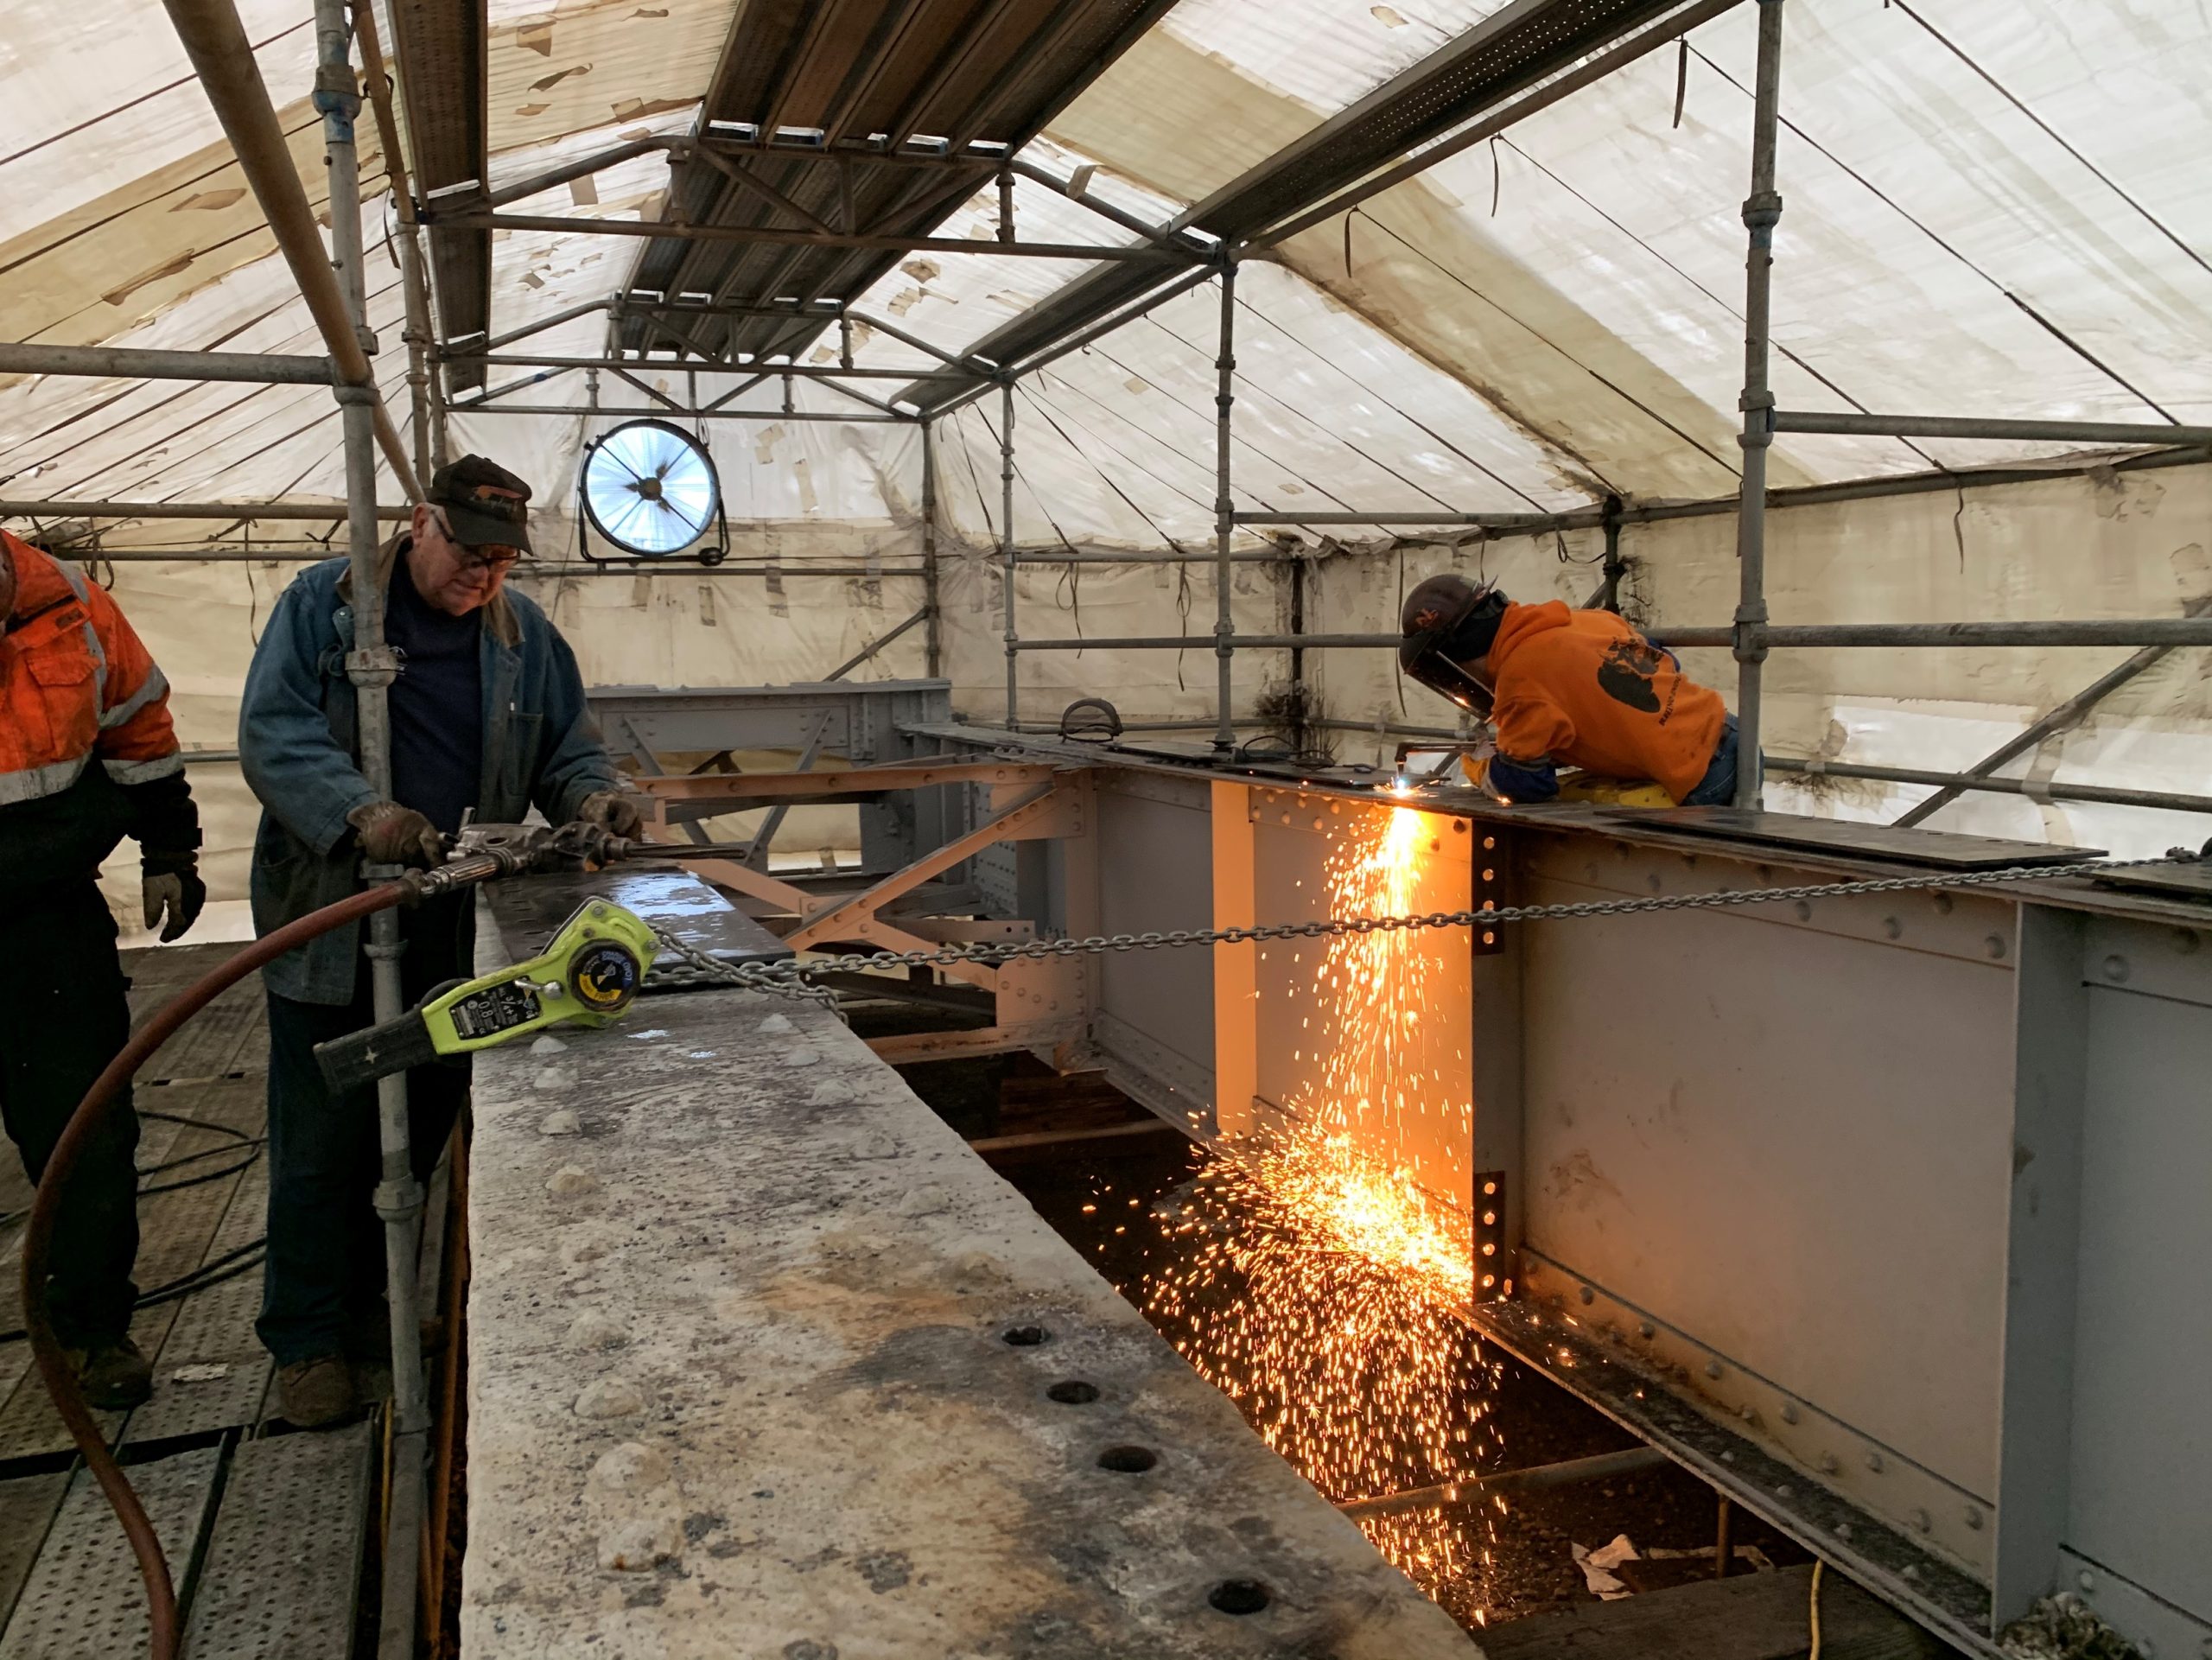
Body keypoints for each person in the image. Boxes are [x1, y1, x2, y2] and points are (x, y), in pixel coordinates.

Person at [238, 455, 641, 1428]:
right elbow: (273, 731)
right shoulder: (323, 609)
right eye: (470, 551)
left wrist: (592, 793)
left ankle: (375, 1311)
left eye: (504, 559)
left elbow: (564, 746)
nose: (485, 576)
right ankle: (307, 1338)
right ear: (420, 523)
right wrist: (360, 813)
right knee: (323, 1137)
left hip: (454, 922)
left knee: (417, 1126)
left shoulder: (522, 633)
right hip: (334, 915)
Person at [0, 529, 206, 1408]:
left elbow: (139, 727)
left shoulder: (73, 605)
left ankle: (91, 1330)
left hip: (45, 917)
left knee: (85, 1130)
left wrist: (171, 847)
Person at [1397, 573, 1751, 805]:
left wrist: (1484, 770)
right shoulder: (1579, 619)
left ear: (1456, 655)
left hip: (1702, 777)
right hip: (1736, 737)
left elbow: (1528, 783)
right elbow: (1663, 660)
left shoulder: (1519, 680)